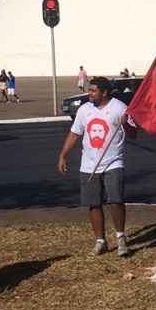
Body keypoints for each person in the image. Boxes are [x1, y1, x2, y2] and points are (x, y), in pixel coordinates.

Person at [57, 77, 133, 257]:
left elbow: (134, 134)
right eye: (89, 90)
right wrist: (63, 155)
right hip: (89, 164)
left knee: (116, 200)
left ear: (104, 92)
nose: (89, 93)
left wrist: (126, 124)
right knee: (93, 203)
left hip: (114, 161)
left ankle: (121, 238)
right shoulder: (84, 110)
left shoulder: (120, 108)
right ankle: (101, 241)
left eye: (93, 91)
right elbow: (75, 133)